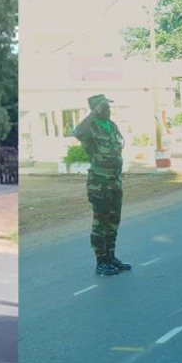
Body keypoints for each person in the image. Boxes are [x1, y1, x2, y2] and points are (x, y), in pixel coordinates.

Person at [71, 94, 131, 276]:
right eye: (104, 107)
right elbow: (78, 133)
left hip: (115, 181)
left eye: (108, 107)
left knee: (113, 221)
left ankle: (111, 257)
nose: (108, 110)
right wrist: (92, 115)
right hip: (99, 183)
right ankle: (101, 262)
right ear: (97, 109)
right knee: (101, 223)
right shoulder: (91, 128)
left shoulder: (112, 126)